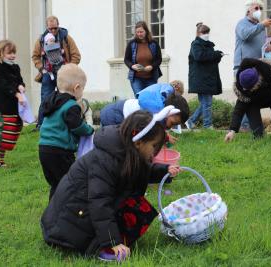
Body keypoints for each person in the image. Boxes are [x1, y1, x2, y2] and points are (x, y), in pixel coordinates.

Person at [40, 109, 181, 262]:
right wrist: (111, 242)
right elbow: (99, 202)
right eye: (154, 146)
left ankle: (111, 237)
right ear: (139, 142)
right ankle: (100, 246)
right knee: (115, 210)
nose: (155, 152)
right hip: (69, 221)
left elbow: (140, 170)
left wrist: (164, 170)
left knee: (138, 208)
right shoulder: (105, 161)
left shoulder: (127, 150)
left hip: (84, 210)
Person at [39, 64, 94, 200]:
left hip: (44, 149)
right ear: (76, 88)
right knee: (69, 182)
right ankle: (66, 212)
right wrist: (89, 129)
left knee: (56, 183)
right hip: (60, 151)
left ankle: (52, 212)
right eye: (82, 89)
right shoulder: (71, 106)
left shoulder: (51, 101)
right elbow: (77, 126)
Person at [32, 15, 81, 130]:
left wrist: (68, 68)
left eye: (55, 28)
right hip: (47, 74)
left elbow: (76, 56)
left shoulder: (66, 38)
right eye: (51, 29)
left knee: (65, 98)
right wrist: (41, 68)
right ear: (47, 27)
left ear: (58, 26)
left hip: (63, 74)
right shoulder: (41, 40)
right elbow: (35, 56)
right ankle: (41, 124)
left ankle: (64, 123)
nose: (53, 31)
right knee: (46, 98)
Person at [234, 0, 271, 131]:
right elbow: (245, 35)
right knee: (244, 95)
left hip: (257, 66)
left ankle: (249, 126)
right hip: (242, 66)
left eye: (261, 8)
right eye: (256, 8)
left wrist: (269, 47)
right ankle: (244, 126)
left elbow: (261, 45)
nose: (259, 10)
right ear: (248, 10)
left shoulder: (260, 27)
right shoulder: (242, 23)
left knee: (252, 96)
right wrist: (262, 25)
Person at [185, 23, 223, 130]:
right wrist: (215, 55)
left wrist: (218, 55)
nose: (206, 34)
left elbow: (210, 59)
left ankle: (191, 121)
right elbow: (199, 56)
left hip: (208, 78)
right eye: (204, 32)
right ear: (198, 33)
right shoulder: (195, 44)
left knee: (205, 103)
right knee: (207, 103)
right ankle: (207, 125)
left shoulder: (209, 45)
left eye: (207, 32)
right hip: (200, 79)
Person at [100, 93, 189, 130]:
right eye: (173, 123)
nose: (171, 127)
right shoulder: (154, 113)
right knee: (117, 145)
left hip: (116, 112)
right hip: (113, 115)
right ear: (169, 111)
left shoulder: (161, 111)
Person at [124, 21, 162, 97]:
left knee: (150, 98)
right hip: (136, 78)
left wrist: (151, 67)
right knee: (140, 98)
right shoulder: (132, 44)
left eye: (141, 32)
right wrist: (132, 66)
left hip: (151, 78)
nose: (139, 34)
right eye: (137, 32)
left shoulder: (154, 43)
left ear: (146, 31)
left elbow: (159, 59)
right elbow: (126, 59)